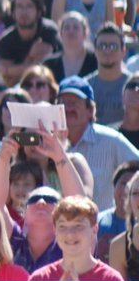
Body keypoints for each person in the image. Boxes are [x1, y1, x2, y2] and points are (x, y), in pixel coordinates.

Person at [56, 77, 138, 209]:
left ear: (90, 110)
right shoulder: (49, 144)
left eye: (74, 102)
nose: (68, 108)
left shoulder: (111, 140)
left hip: (104, 226)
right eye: (63, 103)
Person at [0, 0, 60, 88]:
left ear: (38, 12)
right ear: (13, 12)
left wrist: (11, 70)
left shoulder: (48, 32)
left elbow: (43, 72)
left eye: (29, 6)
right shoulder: (5, 40)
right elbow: (8, 82)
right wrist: (30, 57)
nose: (24, 12)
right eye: (19, 7)